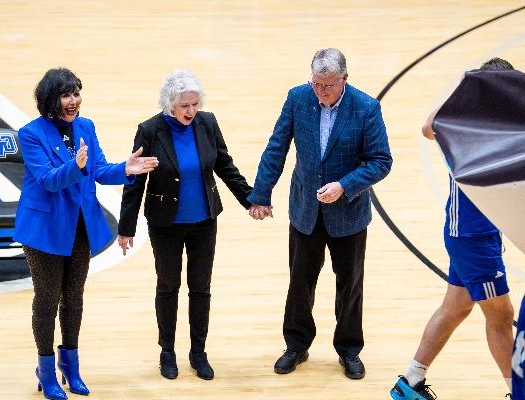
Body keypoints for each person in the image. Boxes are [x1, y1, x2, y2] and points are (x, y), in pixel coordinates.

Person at [248, 48, 393, 379]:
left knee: (350, 285)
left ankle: (349, 349)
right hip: (305, 210)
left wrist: (344, 184)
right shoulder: (298, 98)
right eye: (316, 83)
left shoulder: (366, 108)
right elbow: (276, 146)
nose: (321, 91)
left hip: (349, 214)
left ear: (345, 78)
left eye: (327, 85)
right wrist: (261, 194)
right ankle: (296, 345)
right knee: (300, 283)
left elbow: (381, 161)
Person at [14, 67, 158, 400]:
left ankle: (71, 367)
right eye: (66, 94)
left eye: (77, 93)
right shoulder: (31, 133)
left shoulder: (86, 126)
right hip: (44, 232)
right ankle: (46, 371)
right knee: (47, 302)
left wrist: (124, 169)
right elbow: (49, 180)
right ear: (51, 100)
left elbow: (98, 171)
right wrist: (75, 166)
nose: (74, 101)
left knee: (74, 299)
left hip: (80, 227)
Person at [390, 58, 516, 400]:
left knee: (456, 307)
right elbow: (427, 127)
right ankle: (516, 392)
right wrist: (463, 81)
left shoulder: (500, 125)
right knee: (502, 317)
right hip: (471, 238)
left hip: (482, 234)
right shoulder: (460, 122)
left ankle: (409, 383)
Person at [118, 69, 252, 381]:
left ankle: (198, 352)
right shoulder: (150, 130)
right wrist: (126, 227)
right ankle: (167, 351)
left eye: (194, 104)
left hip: (204, 221)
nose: (190, 111)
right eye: (184, 106)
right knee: (168, 286)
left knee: (201, 288)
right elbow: (134, 181)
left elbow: (224, 165)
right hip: (165, 223)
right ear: (169, 105)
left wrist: (251, 200)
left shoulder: (207, 123)